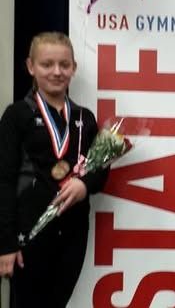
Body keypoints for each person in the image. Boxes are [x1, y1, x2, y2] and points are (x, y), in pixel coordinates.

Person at [0, 32, 108, 308]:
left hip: (73, 234)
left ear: (74, 68)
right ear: (30, 67)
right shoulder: (16, 116)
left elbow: (100, 168)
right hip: (29, 235)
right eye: (47, 64)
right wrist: (6, 243)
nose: (57, 72)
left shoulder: (84, 118)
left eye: (64, 64)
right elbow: (4, 180)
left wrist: (85, 185)